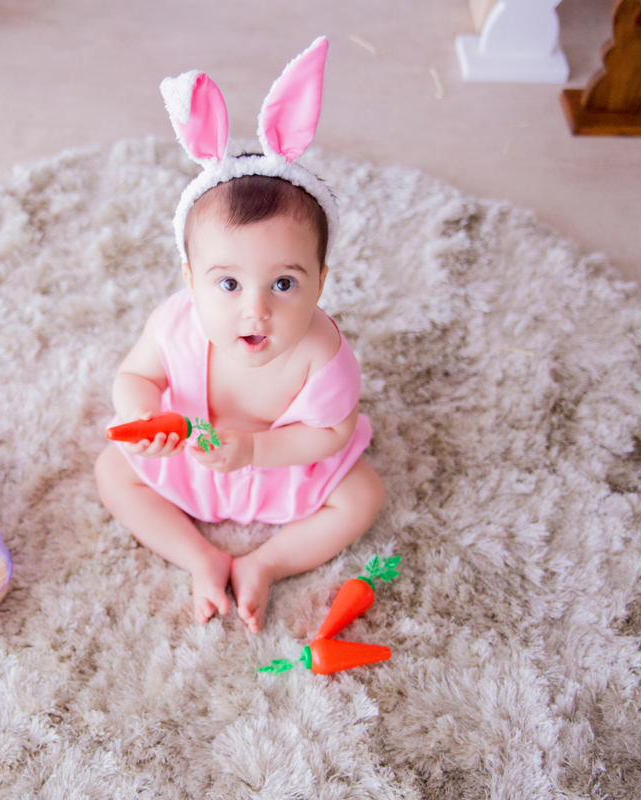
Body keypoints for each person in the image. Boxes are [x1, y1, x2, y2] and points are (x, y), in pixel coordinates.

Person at [95, 37, 384, 633]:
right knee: (111, 471)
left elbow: (332, 431)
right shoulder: (175, 321)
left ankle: (267, 563)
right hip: (189, 460)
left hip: (280, 466)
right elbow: (136, 376)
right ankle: (198, 555)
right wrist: (143, 417)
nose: (255, 311)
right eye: (227, 285)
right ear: (191, 279)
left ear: (321, 282)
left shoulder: (323, 353)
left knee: (363, 495)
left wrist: (255, 452)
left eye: (283, 284)